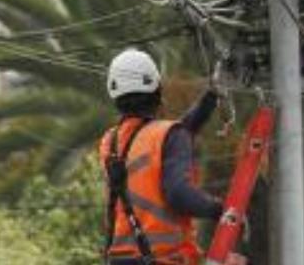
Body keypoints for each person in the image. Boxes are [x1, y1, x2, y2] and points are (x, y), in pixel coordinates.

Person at [99, 49, 243, 264]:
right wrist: (221, 211)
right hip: (163, 258)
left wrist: (212, 95)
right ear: (157, 91)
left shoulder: (110, 142)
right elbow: (178, 193)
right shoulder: (168, 136)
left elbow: (174, 134)